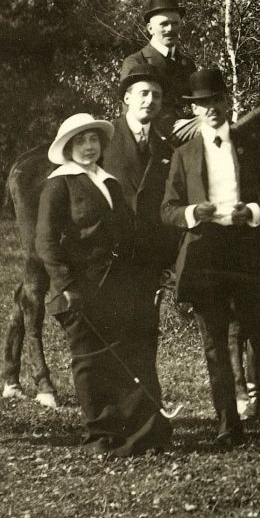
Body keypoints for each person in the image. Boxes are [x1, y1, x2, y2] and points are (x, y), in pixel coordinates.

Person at [162, 68, 260, 445]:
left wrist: (250, 211)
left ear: (227, 102)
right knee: (215, 344)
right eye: (203, 103)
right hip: (206, 257)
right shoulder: (184, 155)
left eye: (217, 100)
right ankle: (228, 426)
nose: (211, 108)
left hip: (248, 252)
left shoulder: (251, 144)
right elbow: (168, 208)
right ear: (194, 109)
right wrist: (192, 213)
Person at [38, 113, 172, 457]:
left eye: (93, 139)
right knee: (88, 360)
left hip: (116, 286)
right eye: (80, 141)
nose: (88, 146)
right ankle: (98, 434)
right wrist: (66, 284)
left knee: (121, 356)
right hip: (80, 287)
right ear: (68, 147)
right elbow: (46, 241)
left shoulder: (108, 182)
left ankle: (129, 431)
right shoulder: (59, 184)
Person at [104, 68, 178, 407]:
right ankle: (118, 408)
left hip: (147, 258)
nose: (150, 100)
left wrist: (166, 259)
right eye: (143, 93)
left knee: (146, 332)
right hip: (111, 256)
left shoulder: (166, 147)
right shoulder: (104, 141)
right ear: (127, 99)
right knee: (113, 333)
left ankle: (147, 406)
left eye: (156, 95)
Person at [118, 0, 198, 130]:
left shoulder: (187, 64)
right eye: (164, 24)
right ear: (150, 29)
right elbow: (131, 113)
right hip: (154, 135)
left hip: (190, 132)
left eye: (175, 23)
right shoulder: (136, 62)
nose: (170, 29)